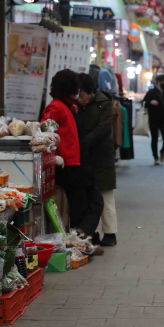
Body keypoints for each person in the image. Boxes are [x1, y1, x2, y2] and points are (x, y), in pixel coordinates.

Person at [42, 70, 104, 251]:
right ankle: (80, 245)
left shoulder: (68, 106)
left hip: (78, 163)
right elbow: (44, 133)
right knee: (81, 206)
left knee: (91, 202)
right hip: (69, 165)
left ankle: (82, 240)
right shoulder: (56, 107)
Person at [76, 73, 118, 247]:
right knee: (87, 197)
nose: (79, 98)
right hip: (84, 158)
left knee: (105, 195)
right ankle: (90, 232)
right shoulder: (77, 106)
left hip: (101, 157)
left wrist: (81, 143)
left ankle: (110, 233)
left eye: (82, 94)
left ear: (91, 91)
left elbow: (102, 130)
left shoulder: (105, 104)